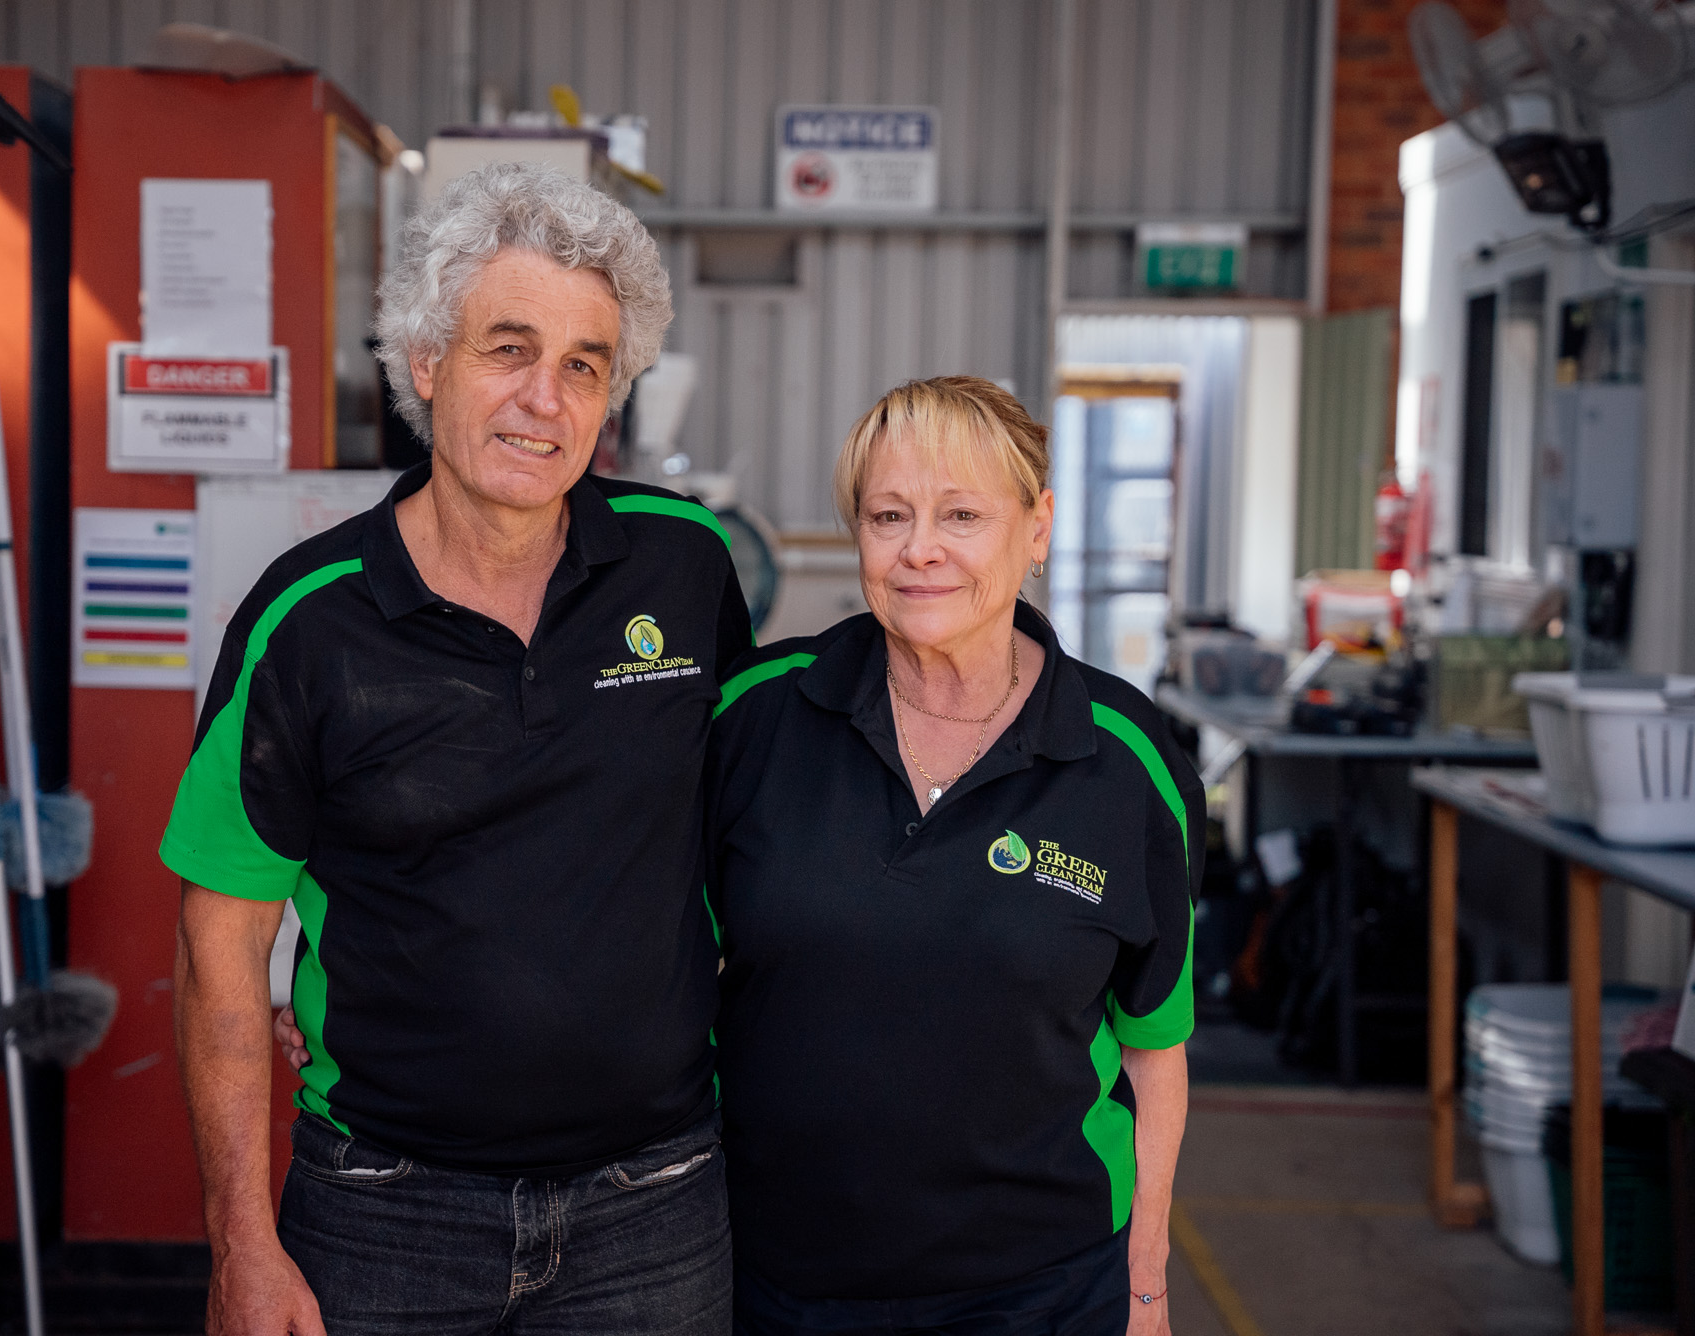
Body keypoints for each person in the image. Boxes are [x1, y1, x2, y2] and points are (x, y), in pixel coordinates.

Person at [169, 160, 751, 1336]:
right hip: (383, 1210)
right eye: (507, 348)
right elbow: (215, 944)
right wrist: (241, 1243)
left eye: (583, 366)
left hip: (655, 1205)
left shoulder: (683, 569)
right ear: (425, 364)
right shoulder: (309, 619)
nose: (545, 397)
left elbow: (754, 830)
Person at [706, 377, 1199, 1335]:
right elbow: (634, 936)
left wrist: (1146, 1283)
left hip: (1045, 1289)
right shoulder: (757, 717)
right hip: (777, 1278)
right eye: (889, 515)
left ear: (1038, 526)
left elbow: (1153, 1049)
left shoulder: (1128, 761)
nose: (920, 548)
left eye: (962, 514)